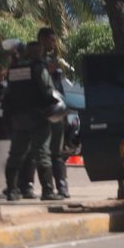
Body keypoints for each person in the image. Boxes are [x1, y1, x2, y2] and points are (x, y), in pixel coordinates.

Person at [2, 41, 62, 201]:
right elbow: (48, 91)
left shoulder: (14, 69)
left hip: (18, 118)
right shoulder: (39, 68)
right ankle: (48, 191)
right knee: (42, 153)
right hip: (38, 117)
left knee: (15, 154)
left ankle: (12, 190)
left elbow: (10, 92)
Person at [37, 27, 70, 198]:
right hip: (42, 112)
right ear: (41, 39)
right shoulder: (36, 62)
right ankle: (46, 189)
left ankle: (62, 187)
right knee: (42, 152)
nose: (53, 42)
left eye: (53, 39)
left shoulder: (54, 60)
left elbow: (60, 86)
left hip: (57, 110)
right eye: (50, 39)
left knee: (58, 152)